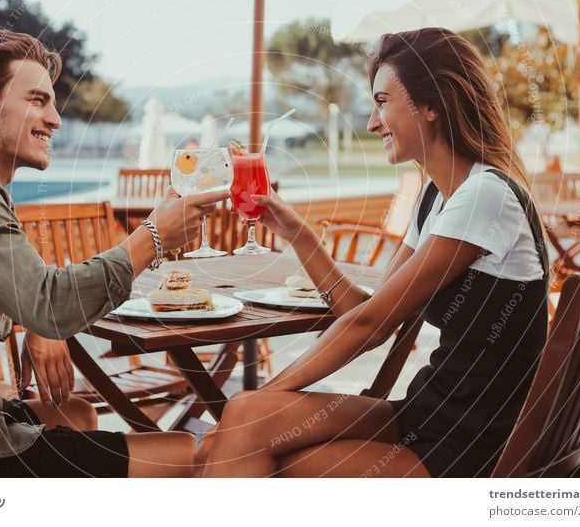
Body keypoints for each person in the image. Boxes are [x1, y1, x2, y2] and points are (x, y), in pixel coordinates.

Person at [0, 28, 228, 477]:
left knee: (78, 412)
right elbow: (49, 302)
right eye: (38, 100)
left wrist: (37, 320)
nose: (56, 119)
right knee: (196, 456)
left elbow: (27, 292)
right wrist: (151, 236)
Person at [198, 27, 549, 478]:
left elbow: (368, 326)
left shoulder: (485, 196)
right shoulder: (436, 199)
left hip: (473, 445)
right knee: (246, 416)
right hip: (431, 411)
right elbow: (367, 312)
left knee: (252, 432)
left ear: (431, 106)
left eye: (382, 102)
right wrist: (300, 234)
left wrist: (268, 397)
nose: (371, 122)